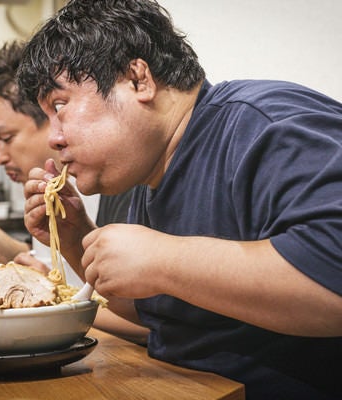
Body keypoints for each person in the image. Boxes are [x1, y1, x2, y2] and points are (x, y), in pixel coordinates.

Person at [17, 1, 342, 399]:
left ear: (138, 80)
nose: (53, 137)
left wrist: (163, 260)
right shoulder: (148, 169)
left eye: (61, 105)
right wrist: (76, 236)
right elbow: (165, 313)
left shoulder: (262, 124)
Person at [0, 41, 147, 344]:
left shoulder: (112, 186)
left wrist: (52, 298)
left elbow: (151, 320)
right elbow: (46, 267)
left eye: (6, 138)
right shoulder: (48, 188)